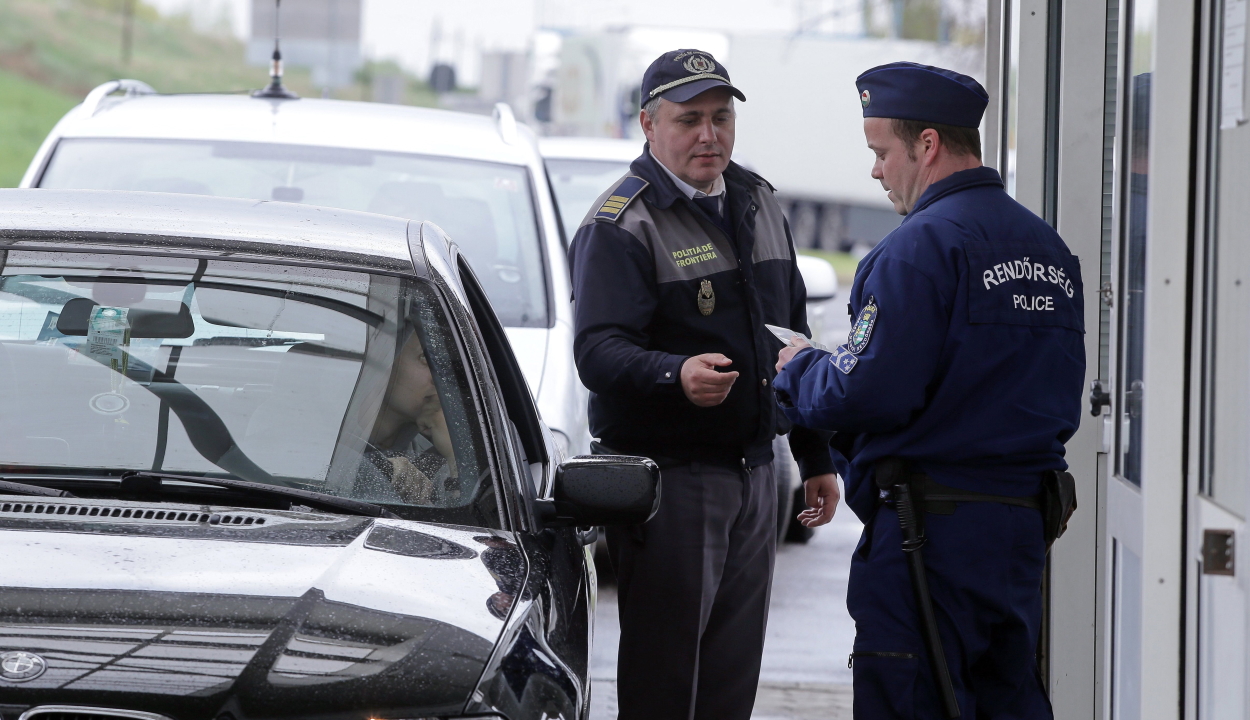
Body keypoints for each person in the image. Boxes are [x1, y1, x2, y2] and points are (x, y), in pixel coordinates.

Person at [772, 62, 1085, 719]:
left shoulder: (918, 249)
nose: (876, 171)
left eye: (881, 152)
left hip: (928, 537)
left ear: (928, 145)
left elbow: (864, 393)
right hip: (1020, 530)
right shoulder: (1049, 249)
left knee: (911, 696)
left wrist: (800, 367)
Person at [567, 49, 840, 720]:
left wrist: (815, 458)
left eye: (721, 117)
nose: (709, 135)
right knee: (665, 683)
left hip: (755, 476)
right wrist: (673, 374)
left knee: (730, 681)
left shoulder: (759, 201)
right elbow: (597, 352)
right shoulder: (622, 223)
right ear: (648, 125)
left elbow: (792, 338)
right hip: (673, 484)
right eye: (690, 120)